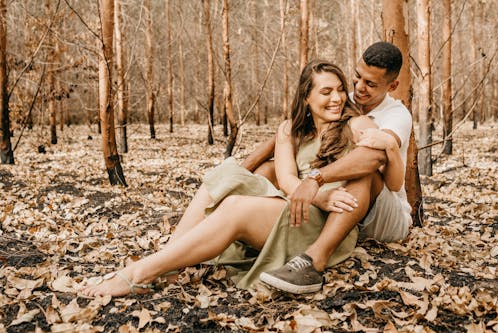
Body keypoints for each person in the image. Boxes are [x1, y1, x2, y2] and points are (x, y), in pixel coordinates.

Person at [80, 60, 401, 297]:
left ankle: (137, 274)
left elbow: (373, 159)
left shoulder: (356, 124)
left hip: (326, 224)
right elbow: (289, 180)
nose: (337, 98)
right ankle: (168, 259)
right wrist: (313, 192)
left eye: (340, 90)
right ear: (306, 98)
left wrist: (317, 182)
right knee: (225, 173)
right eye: (326, 92)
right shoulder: (290, 129)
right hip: (299, 207)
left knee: (235, 206)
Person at [258, 41, 413, 294]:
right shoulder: (344, 97)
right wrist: (238, 170)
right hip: (346, 208)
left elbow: (373, 161)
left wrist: (315, 179)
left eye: (371, 84)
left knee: (364, 168)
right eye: (357, 77)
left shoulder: (397, 116)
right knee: (269, 169)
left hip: (384, 215)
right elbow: (288, 133)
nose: (359, 88)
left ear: (392, 86)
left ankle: (314, 262)